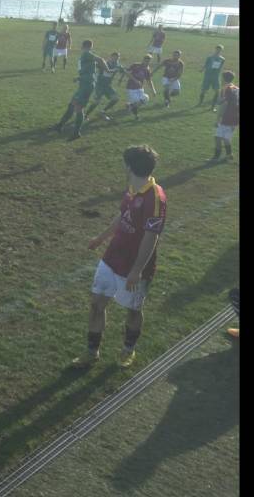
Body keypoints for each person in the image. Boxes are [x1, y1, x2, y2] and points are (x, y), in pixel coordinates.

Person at [72, 145, 167, 368]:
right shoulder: (133, 187)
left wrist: (137, 270)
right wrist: (101, 238)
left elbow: (151, 237)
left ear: (129, 167)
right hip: (112, 257)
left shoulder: (155, 198)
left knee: (133, 310)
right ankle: (91, 352)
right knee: (97, 304)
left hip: (133, 266)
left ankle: (128, 349)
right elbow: (123, 215)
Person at [53, 39, 108, 140]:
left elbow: (100, 60)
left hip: (86, 86)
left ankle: (76, 132)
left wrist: (107, 70)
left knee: (78, 108)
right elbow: (89, 70)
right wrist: (79, 77)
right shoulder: (87, 56)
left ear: (84, 46)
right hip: (84, 84)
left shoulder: (87, 54)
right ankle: (60, 125)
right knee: (71, 105)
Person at [84, 51, 124, 121]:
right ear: (111, 57)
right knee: (96, 102)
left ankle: (102, 111)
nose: (115, 60)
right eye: (114, 58)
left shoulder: (118, 65)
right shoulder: (104, 63)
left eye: (117, 59)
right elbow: (94, 66)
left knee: (115, 98)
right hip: (99, 85)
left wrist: (120, 79)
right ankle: (86, 115)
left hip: (108, 85)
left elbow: (123, 71)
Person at [210, 71, 239, 161]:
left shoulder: (226, 89)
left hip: (226, 117)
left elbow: (223, 104)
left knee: (218, 137)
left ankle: (216, 157)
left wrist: (217, 119)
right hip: (235, 117)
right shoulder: (236, 88)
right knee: (226, 138)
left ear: (223, 79)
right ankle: (229, 155)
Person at [123, 54, 157, 120]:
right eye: (146, 60)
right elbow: (127, 73)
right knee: (137, 102)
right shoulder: (136, 65)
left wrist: (153, 90)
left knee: (146, 98)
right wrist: (135, 80)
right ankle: (136, 116)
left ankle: (130, 106)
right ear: (143, 59)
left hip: (140, 89)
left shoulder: (147, 69)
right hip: (131, 88)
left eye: (148, 61)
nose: (147, 62)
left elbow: (149, 80)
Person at [199, 45, 226, 111]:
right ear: (215, 49)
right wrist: (202, 69)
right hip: (208, 76)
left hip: (216, 76)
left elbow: (221, 67)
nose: (218, 51)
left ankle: (213, 106)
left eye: (220, 50)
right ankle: (200, 103)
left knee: (217, 91)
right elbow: (206, 64)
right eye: (217, 49)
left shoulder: (222, 59)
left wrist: (220, 73)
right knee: (204, 90)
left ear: (221, 51)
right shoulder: (209, 57)